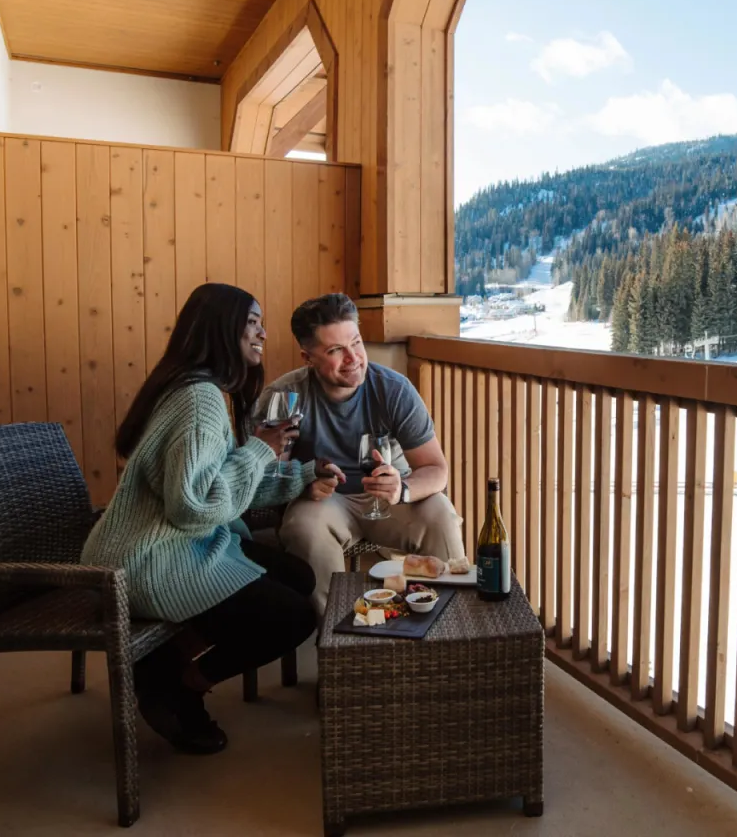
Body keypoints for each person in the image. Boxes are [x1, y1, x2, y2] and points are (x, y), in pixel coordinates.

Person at [81, 283, 335, 755]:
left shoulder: (201, 389)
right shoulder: (198, 400)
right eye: (253, 322)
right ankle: (181, 686)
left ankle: (163, 659)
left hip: (174, 542)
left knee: (297, 574)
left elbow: (222, 487)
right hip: (147, 560)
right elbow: (194, 506)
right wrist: (261, 447)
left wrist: (300, 475)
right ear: (223, 327)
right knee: (292, 617)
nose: (263, 333)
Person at [253, 294, 466, 615]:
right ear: (307, 357)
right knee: (303, 528)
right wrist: (303, 482)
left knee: (440, 513)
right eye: (335, 350)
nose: (353, 358)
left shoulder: (394, 389)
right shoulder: (285, 397)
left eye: (356, 342)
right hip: (325, 502)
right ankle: (337, 631)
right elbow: (266, 477)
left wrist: (402, 488)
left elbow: (436, 469)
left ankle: (449, 621)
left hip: (389, 498)